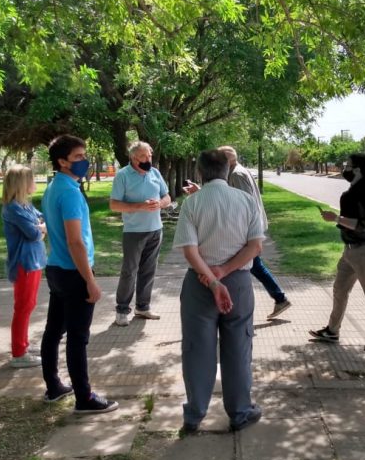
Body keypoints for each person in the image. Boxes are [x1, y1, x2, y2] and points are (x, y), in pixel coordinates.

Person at [173, 149, 264, 433]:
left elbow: (189, 250)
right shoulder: (247, 202)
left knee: (197, 348)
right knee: (238, 346)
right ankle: (239, 412)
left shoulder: (193, 203)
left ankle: (195, 414)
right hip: (237, 281)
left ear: (200, 172)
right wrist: (224, 273)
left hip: (200, 283)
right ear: (227, 170)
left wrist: (212, 279)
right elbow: (255, 246)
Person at [40, 135, 118, 414]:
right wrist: (90, 280)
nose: (84, 161)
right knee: (77, 337)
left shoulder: (53, 187)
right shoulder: (70, 192)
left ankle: (53, 387)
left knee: (53, 332)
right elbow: (75, 241)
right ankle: (84, 399)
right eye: (77, 157)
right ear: (62, 162)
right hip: (73, 273)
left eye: (84, 155)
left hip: (56, 269)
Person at [184, 146, 292, 320]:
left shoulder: (237, 175)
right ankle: (279, 297)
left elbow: (241, 201)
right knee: (255, 265)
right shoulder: (238, 171)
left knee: (253, 263)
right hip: (245, 227)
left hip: (245, 228)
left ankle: (280, 297)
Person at [309, 153, 365, 352]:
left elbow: (362, 225)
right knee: (340, 289)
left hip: (364, 251)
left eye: (348, 166)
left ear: (358, 170)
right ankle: (332, 330)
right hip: (350, 251)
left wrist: (335, 218)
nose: (344, 169)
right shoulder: (359, 189)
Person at [110, 141, 171, 324]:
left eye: (150, 156)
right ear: (133, 158)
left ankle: (143, 307)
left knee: (148, 271)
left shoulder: (155, 172)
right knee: (129, 271)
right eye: (144, 156)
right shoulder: (123, 175)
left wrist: (160, 203)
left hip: (155, 230)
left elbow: (167, 196)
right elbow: (114, 204)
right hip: (134, 232)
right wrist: (140, 206)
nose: (148, 159)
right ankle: (122, 310)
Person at [1, 164, 47, 369]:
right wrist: (42, 229)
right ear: (21, 184)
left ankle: (23, 345)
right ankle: (19, 353)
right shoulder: (13, 208)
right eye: (31, 179)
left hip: (35, 261)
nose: (34, 182)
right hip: (24, 263)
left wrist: (41, 227)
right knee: (23, 307)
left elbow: (43, 220)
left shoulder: (26, 205)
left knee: (29, 305)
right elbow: (34, 233)